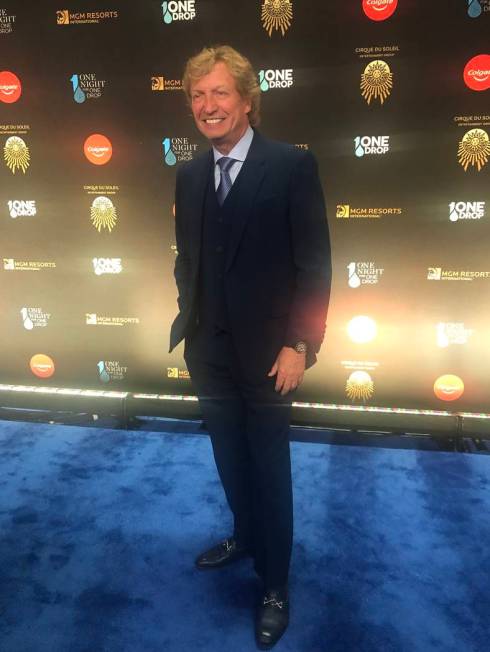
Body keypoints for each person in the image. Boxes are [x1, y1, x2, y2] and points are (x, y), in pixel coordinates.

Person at [169, 45, 331, 649]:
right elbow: (188, 260)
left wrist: (299, 344)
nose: (208, 106)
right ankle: (244, 535)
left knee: (269, 469)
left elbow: (315, 268)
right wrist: (190, 322)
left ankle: (275, 582)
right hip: (209, 353)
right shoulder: (188, 174)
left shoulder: (291, 166)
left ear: (246, 99)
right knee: (230, 460)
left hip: (271, 357)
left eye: (219, 93)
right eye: (198, 96)